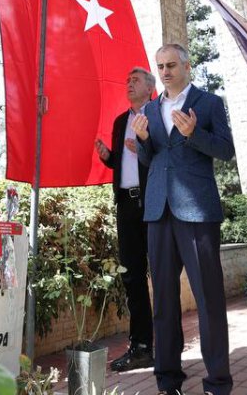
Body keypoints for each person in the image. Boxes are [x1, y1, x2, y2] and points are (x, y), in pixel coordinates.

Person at [134, 44, 235, 395]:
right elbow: (151, 160)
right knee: (162, 300)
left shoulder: (209, 103)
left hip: (197, 211)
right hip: (157, 211)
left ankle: (218, 382)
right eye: (160, 66)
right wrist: (144, 141)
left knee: (208, 299)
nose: (164, 71)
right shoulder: (148, 108)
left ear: (187, 66)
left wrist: (195, 135)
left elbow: (225, 150)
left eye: (171, 65)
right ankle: (168, 380)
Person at [95, 66, 156, 372]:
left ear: (150, 88)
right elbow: (123, 163)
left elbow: (166, 156)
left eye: (135, 81)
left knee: (162, 274)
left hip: (154, 204)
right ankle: (141, 346)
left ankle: (167, 345)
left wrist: (145, 145)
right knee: (131, 277)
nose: (129, 84)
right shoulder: (121, 122)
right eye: (127, 80)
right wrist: (109, 157)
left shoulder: (159, 115)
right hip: (126, 206)